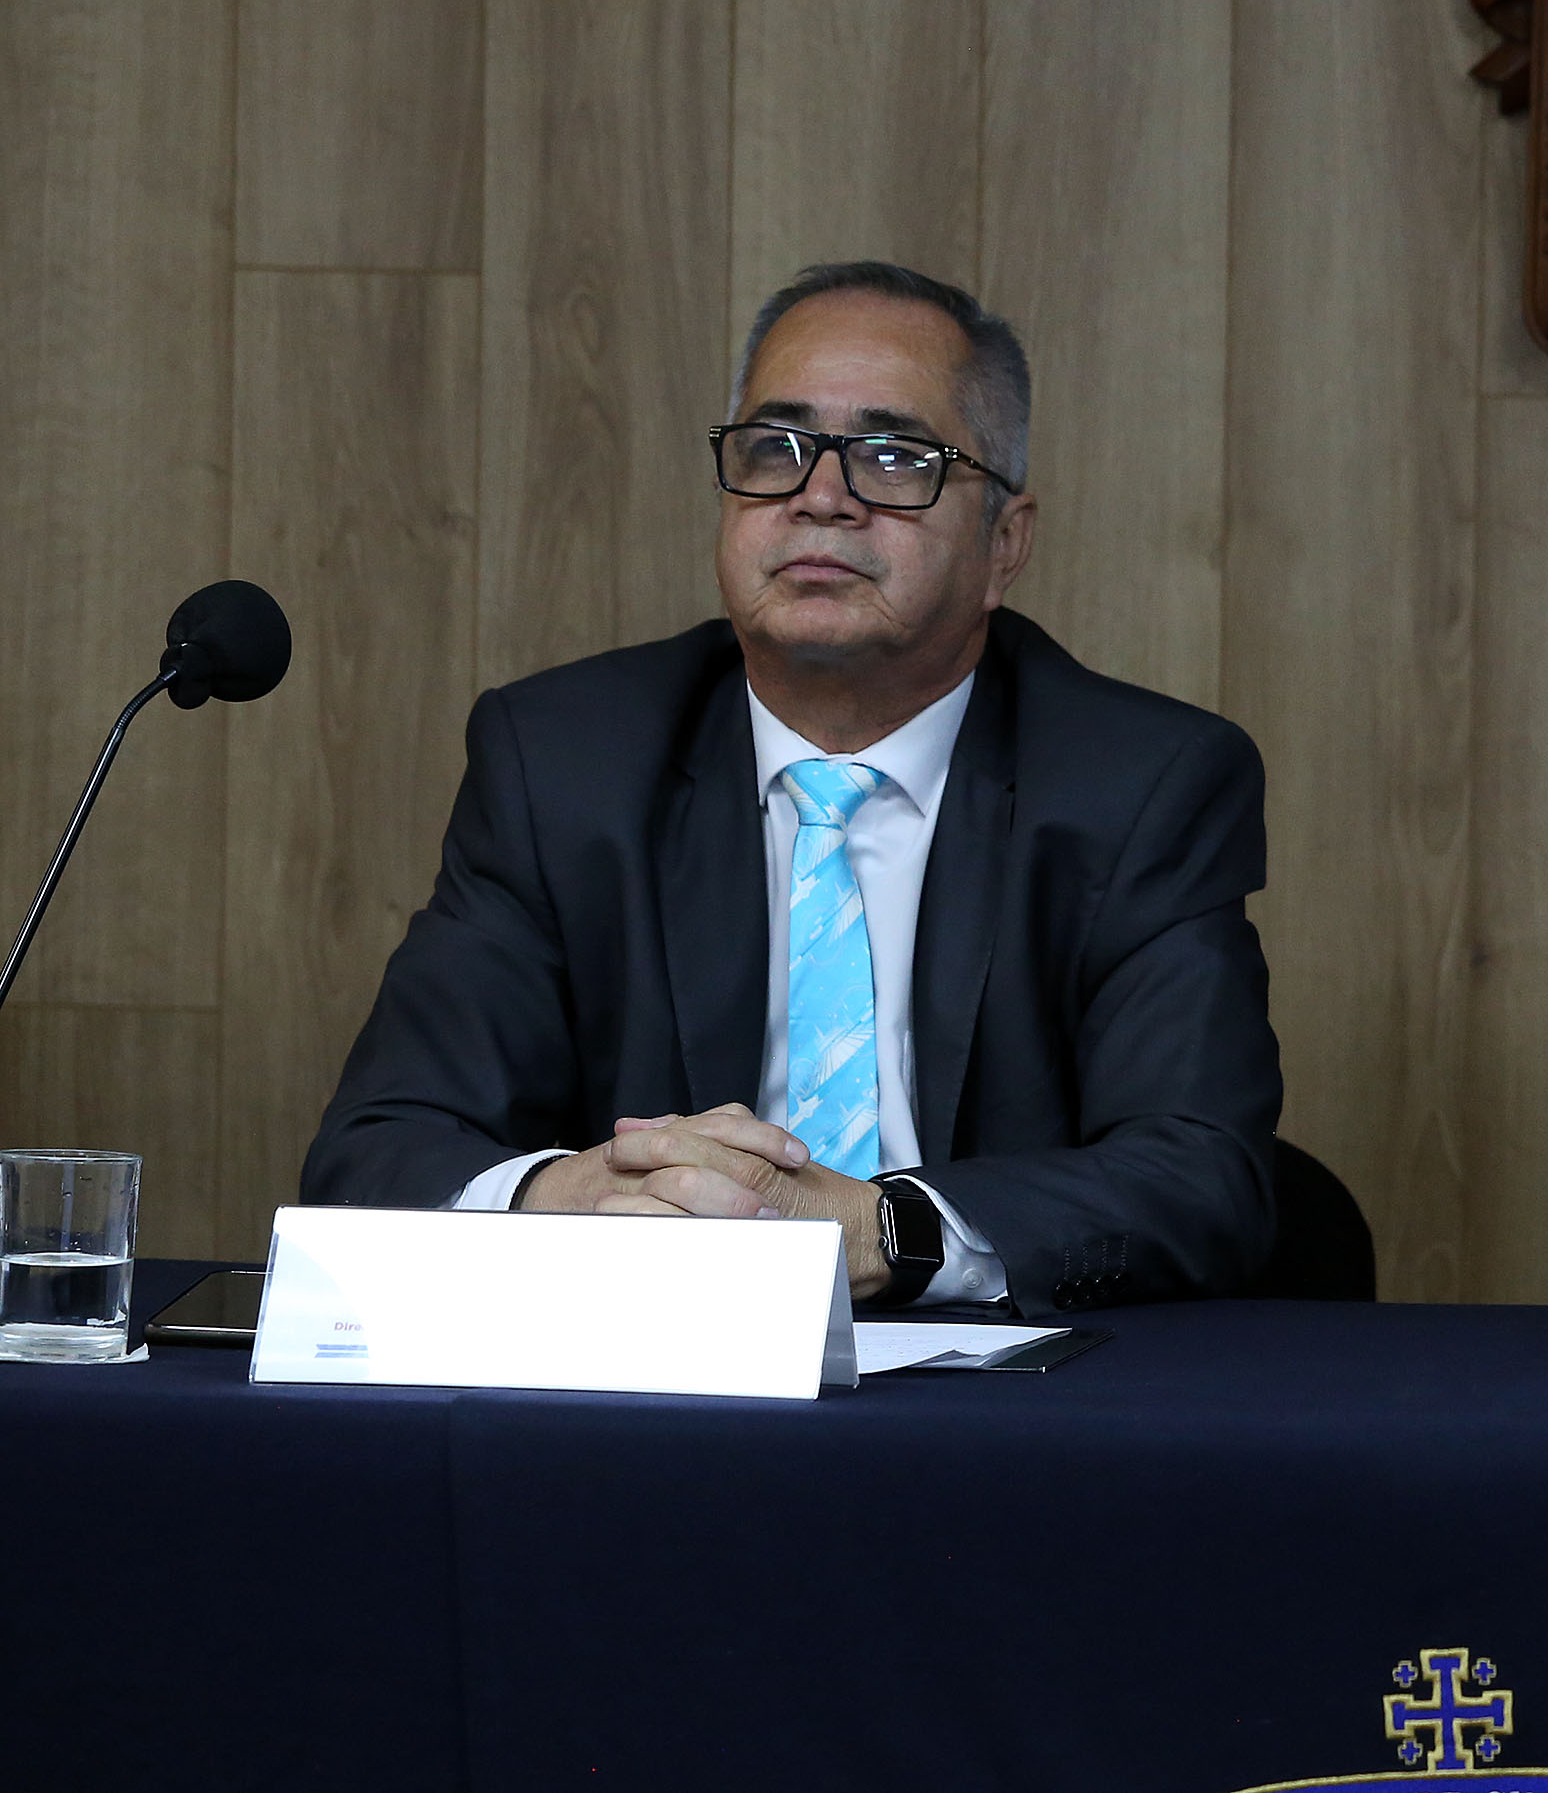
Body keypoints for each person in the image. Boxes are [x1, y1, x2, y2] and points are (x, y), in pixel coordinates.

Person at [303, 262, 1281, 1311]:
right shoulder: (564, 761)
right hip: (644, 1361)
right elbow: (379, 1148)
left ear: (1004, 543)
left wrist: (890, 1229)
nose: (821, 497)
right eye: (776, 448)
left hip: (1002, 1385)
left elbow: (1204, 1176)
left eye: (895, 457)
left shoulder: (1141, 784)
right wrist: (566, 1198)